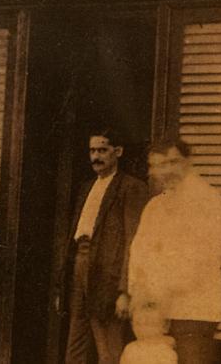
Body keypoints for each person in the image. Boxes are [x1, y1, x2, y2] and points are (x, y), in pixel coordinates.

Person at [128, 139, 221, 364]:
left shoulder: (208, 201)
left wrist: (156, 287)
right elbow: (139, 253)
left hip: (192, 311)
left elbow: (198, 260)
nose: (163, 171)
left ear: (188, 161)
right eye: (156, 165)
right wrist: (140, 293)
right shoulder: (155, 206)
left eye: (171, 162)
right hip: (154, 315)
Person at [64, 130, 150, 364]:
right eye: (92, 151)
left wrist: (125, 290)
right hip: (81, 267)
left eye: (102, 150)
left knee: (108, 347)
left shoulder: (131, 187)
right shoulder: (86, 187)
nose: (96, 157)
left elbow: (134, 240)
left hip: (108, 275)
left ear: (118, 152)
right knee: (76, 339)